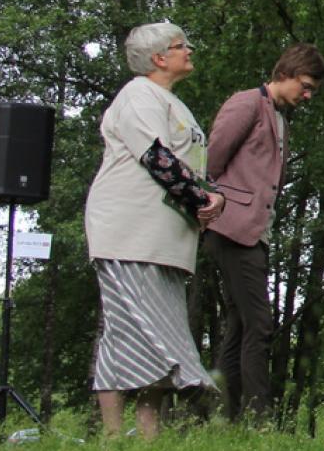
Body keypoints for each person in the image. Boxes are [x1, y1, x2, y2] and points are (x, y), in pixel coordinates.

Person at [84, 22, 226, 438]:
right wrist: (203, 201)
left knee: (146, 332)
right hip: (129, 231)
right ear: (159, 58)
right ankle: (114, 435)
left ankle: (149, 435)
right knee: (135, 327)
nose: (191, 50)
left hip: (167, 238)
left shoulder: (174, 103)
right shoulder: (137, 95)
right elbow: (158, 158)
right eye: (183, 46)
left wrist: (214, 196)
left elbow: (192, 168)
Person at [203, 43, 324, 423]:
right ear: (285, 73)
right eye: (304, 86)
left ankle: (228, 416)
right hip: (232, 230)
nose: (306, 96)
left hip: (255, 233)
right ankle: (259, 419)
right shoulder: (246, 104)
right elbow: (211, 161)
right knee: (260, 323)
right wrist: (224, 204)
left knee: (240, 324)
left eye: (312, 91)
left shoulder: (281, 118)